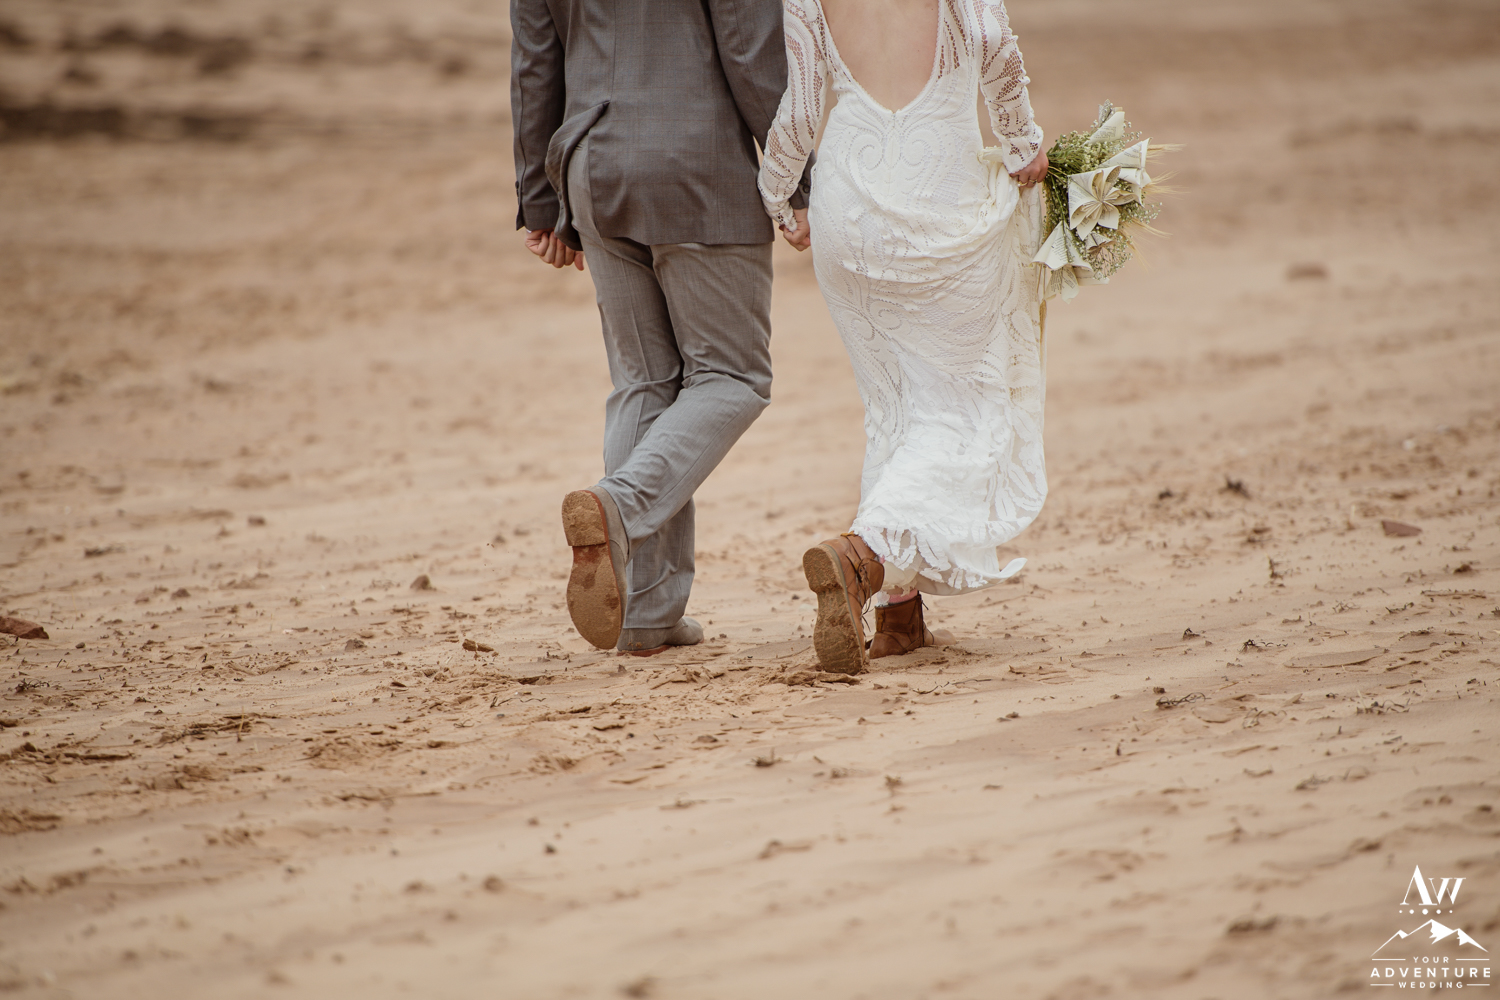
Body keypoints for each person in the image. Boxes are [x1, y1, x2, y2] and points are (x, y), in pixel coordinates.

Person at [757, 0, 1050, 673]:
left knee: (892, 404)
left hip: (848, 207)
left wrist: (781, 197)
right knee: (958, 409)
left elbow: (800, 113)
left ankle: (897, 613)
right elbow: (993, 46)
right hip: (940, 205)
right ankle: (864, 553)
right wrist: (1021, 142)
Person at [511, 0, 810, 655]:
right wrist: (800, 181)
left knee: (645, 381)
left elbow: (535, 64)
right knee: (731, 377)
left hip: (592, 163)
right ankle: (619, 506)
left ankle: (647, 611)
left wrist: (539, 197)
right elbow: (753, 55)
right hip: (699, 167)